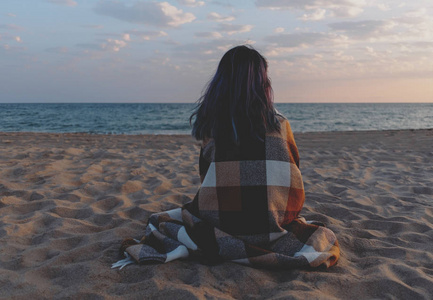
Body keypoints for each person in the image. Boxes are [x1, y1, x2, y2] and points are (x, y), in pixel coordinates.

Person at [113, 45, 340, 270]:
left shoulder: (212, 125)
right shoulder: (280, 124)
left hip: (222, 224)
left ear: (221, 84)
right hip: (272, 227)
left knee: (161, 220)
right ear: (263, 84)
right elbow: (293, 178)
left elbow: (207, 177)